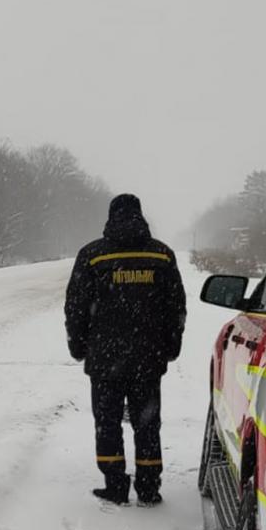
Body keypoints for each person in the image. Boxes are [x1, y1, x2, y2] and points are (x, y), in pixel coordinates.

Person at [64, 194, 186, 506]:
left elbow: (76, 307)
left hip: (105, 360)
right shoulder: (162, 255)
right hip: (148, 358)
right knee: (147, 423)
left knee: (107, 422)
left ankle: (115, 484)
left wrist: (78, 347)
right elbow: (176, 307)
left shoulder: (92, 256)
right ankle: (148, 487)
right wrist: (171, 347)